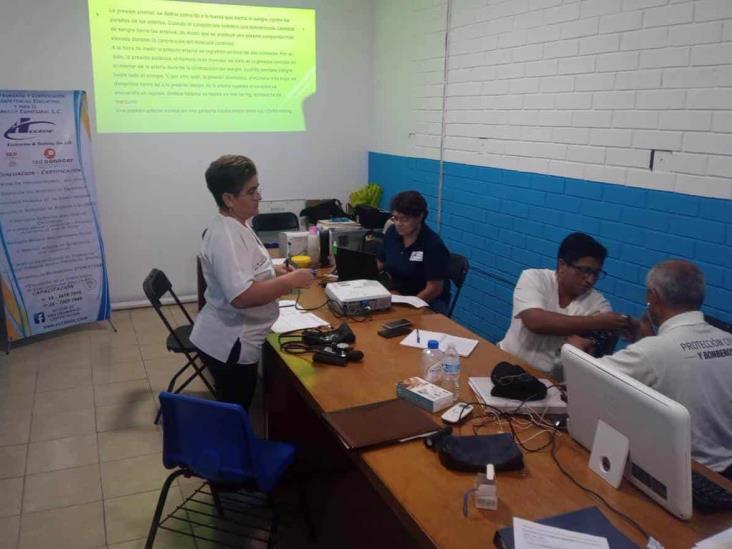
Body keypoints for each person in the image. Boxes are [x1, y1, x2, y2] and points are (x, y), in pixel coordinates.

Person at [570, 260, 732, 478]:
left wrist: (575, 351)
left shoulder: (652, 352)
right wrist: (648, 341)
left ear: (653, 297)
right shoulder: (726, 339)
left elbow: (585, 381)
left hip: (689, 473)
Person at [190, 155, 315, 409]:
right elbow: (242, 297)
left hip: (233, 336)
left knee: (236, 406)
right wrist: (291, 280)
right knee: (235, 411)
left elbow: (249, 269)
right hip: (230, 343)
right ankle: (237, 448)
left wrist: (276, 272)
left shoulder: (238, 224)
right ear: (228, 198)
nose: (259, 196)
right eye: (251, 191)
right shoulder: (225, 237)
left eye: (258, 188)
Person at [498, 232, 631, 378]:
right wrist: (596, 322)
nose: (590, 280)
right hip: (506, 360)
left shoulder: (598, 303)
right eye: (585, 271)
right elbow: (535, 322)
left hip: (549, 382)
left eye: (596, 273)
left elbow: (591, 348)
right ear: (562, 265)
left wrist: (589, 343)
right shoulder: (534, 278)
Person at [377, 191, 451, 314]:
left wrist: (408, 307)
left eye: (405, 219)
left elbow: (434, 288)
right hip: (397, 296)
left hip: (426, 302)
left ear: (420, 216)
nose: (398, 224)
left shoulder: (433, 245)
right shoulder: (392, 233)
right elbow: (380, 262)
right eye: (395, 218)